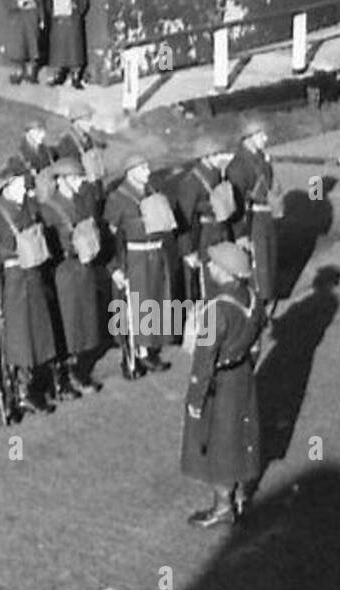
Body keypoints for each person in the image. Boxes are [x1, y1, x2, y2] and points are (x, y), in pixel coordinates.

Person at [181, 241, 264, 527]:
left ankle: (222, 507)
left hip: (221, 383)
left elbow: (203, 360)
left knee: (219, 444)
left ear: (226, 272)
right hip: (243, 375)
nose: (211, 268)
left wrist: (195, 398)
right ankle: (240, 495)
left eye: (215, 264)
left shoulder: (217, 311)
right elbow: (256, 342)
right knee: (241, 436)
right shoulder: (252, 298)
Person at [0, 161, 58, 416]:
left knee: (35, 333)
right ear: (5, 188)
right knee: (17, 339)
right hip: (10, 281)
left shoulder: (27, 207)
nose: (23, 189)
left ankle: (30, 387)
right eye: (17, 185)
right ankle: (17, 393)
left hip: (31, 275)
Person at [104, 153, 176, 379]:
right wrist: (114, 268)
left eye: (147, 167)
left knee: (154, 301)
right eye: (142, 168)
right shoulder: (117, 199)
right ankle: (135, 354)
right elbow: (110, 238)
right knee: (136, 304)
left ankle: (150, 347)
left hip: (155, 252)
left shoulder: (151, 191)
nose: (147, 172)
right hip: (134, 256)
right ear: (130, 172)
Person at [35, 157, 103, 397]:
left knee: (85, 321)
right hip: (63, 269)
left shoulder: (79, 201)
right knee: (69, 324)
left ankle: (78, 370)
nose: (79, 182)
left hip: (82, 266)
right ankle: (68, 377)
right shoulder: (48, 208)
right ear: (61, 180)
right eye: (74, 178)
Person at [176, 132, 238, 301]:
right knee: (208, 285)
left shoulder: (218, 173)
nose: (221, 158)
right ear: (206, 156)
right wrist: (188, 251)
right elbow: (183, 219)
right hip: (205, 238)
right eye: (217, 155)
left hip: (222, 232)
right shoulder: (192, 181)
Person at [226, 117, 280, 307]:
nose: (265, 138)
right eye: (261, 134)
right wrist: (240, 234)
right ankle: (256, 306)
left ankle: (266, 300)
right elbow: (236, 204)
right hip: (252, 220)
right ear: (249, 138)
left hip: (265, 217)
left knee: (268, 261)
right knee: (257, 264)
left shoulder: (261, 160)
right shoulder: (238, 167)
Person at [45, 0, 90, 89]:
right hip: (58, 25)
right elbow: (48, 5)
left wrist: (75, 13)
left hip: (72, 26)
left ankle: (76, 77)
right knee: (58, 52)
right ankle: (59, 76)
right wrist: (55, 14)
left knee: (74, 52)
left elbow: (83, 4)